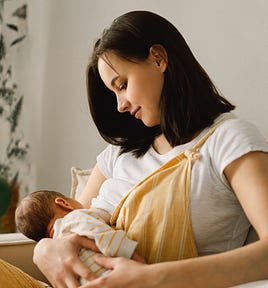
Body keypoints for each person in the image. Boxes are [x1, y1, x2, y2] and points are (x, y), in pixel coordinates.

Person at [32, 10, 268, 288]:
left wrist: (153, 278)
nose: (120, 105)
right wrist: (44, 250)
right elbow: (75, 223)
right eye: (114, 93)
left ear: (158, 58)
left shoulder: (228, 140)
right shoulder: (119, 154)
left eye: (122, 85)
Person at [15, 190, 139, 284]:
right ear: (63, 203)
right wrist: (134, 256)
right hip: (113, 275)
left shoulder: (57, 251)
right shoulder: (75, 218)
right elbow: (105, 237)